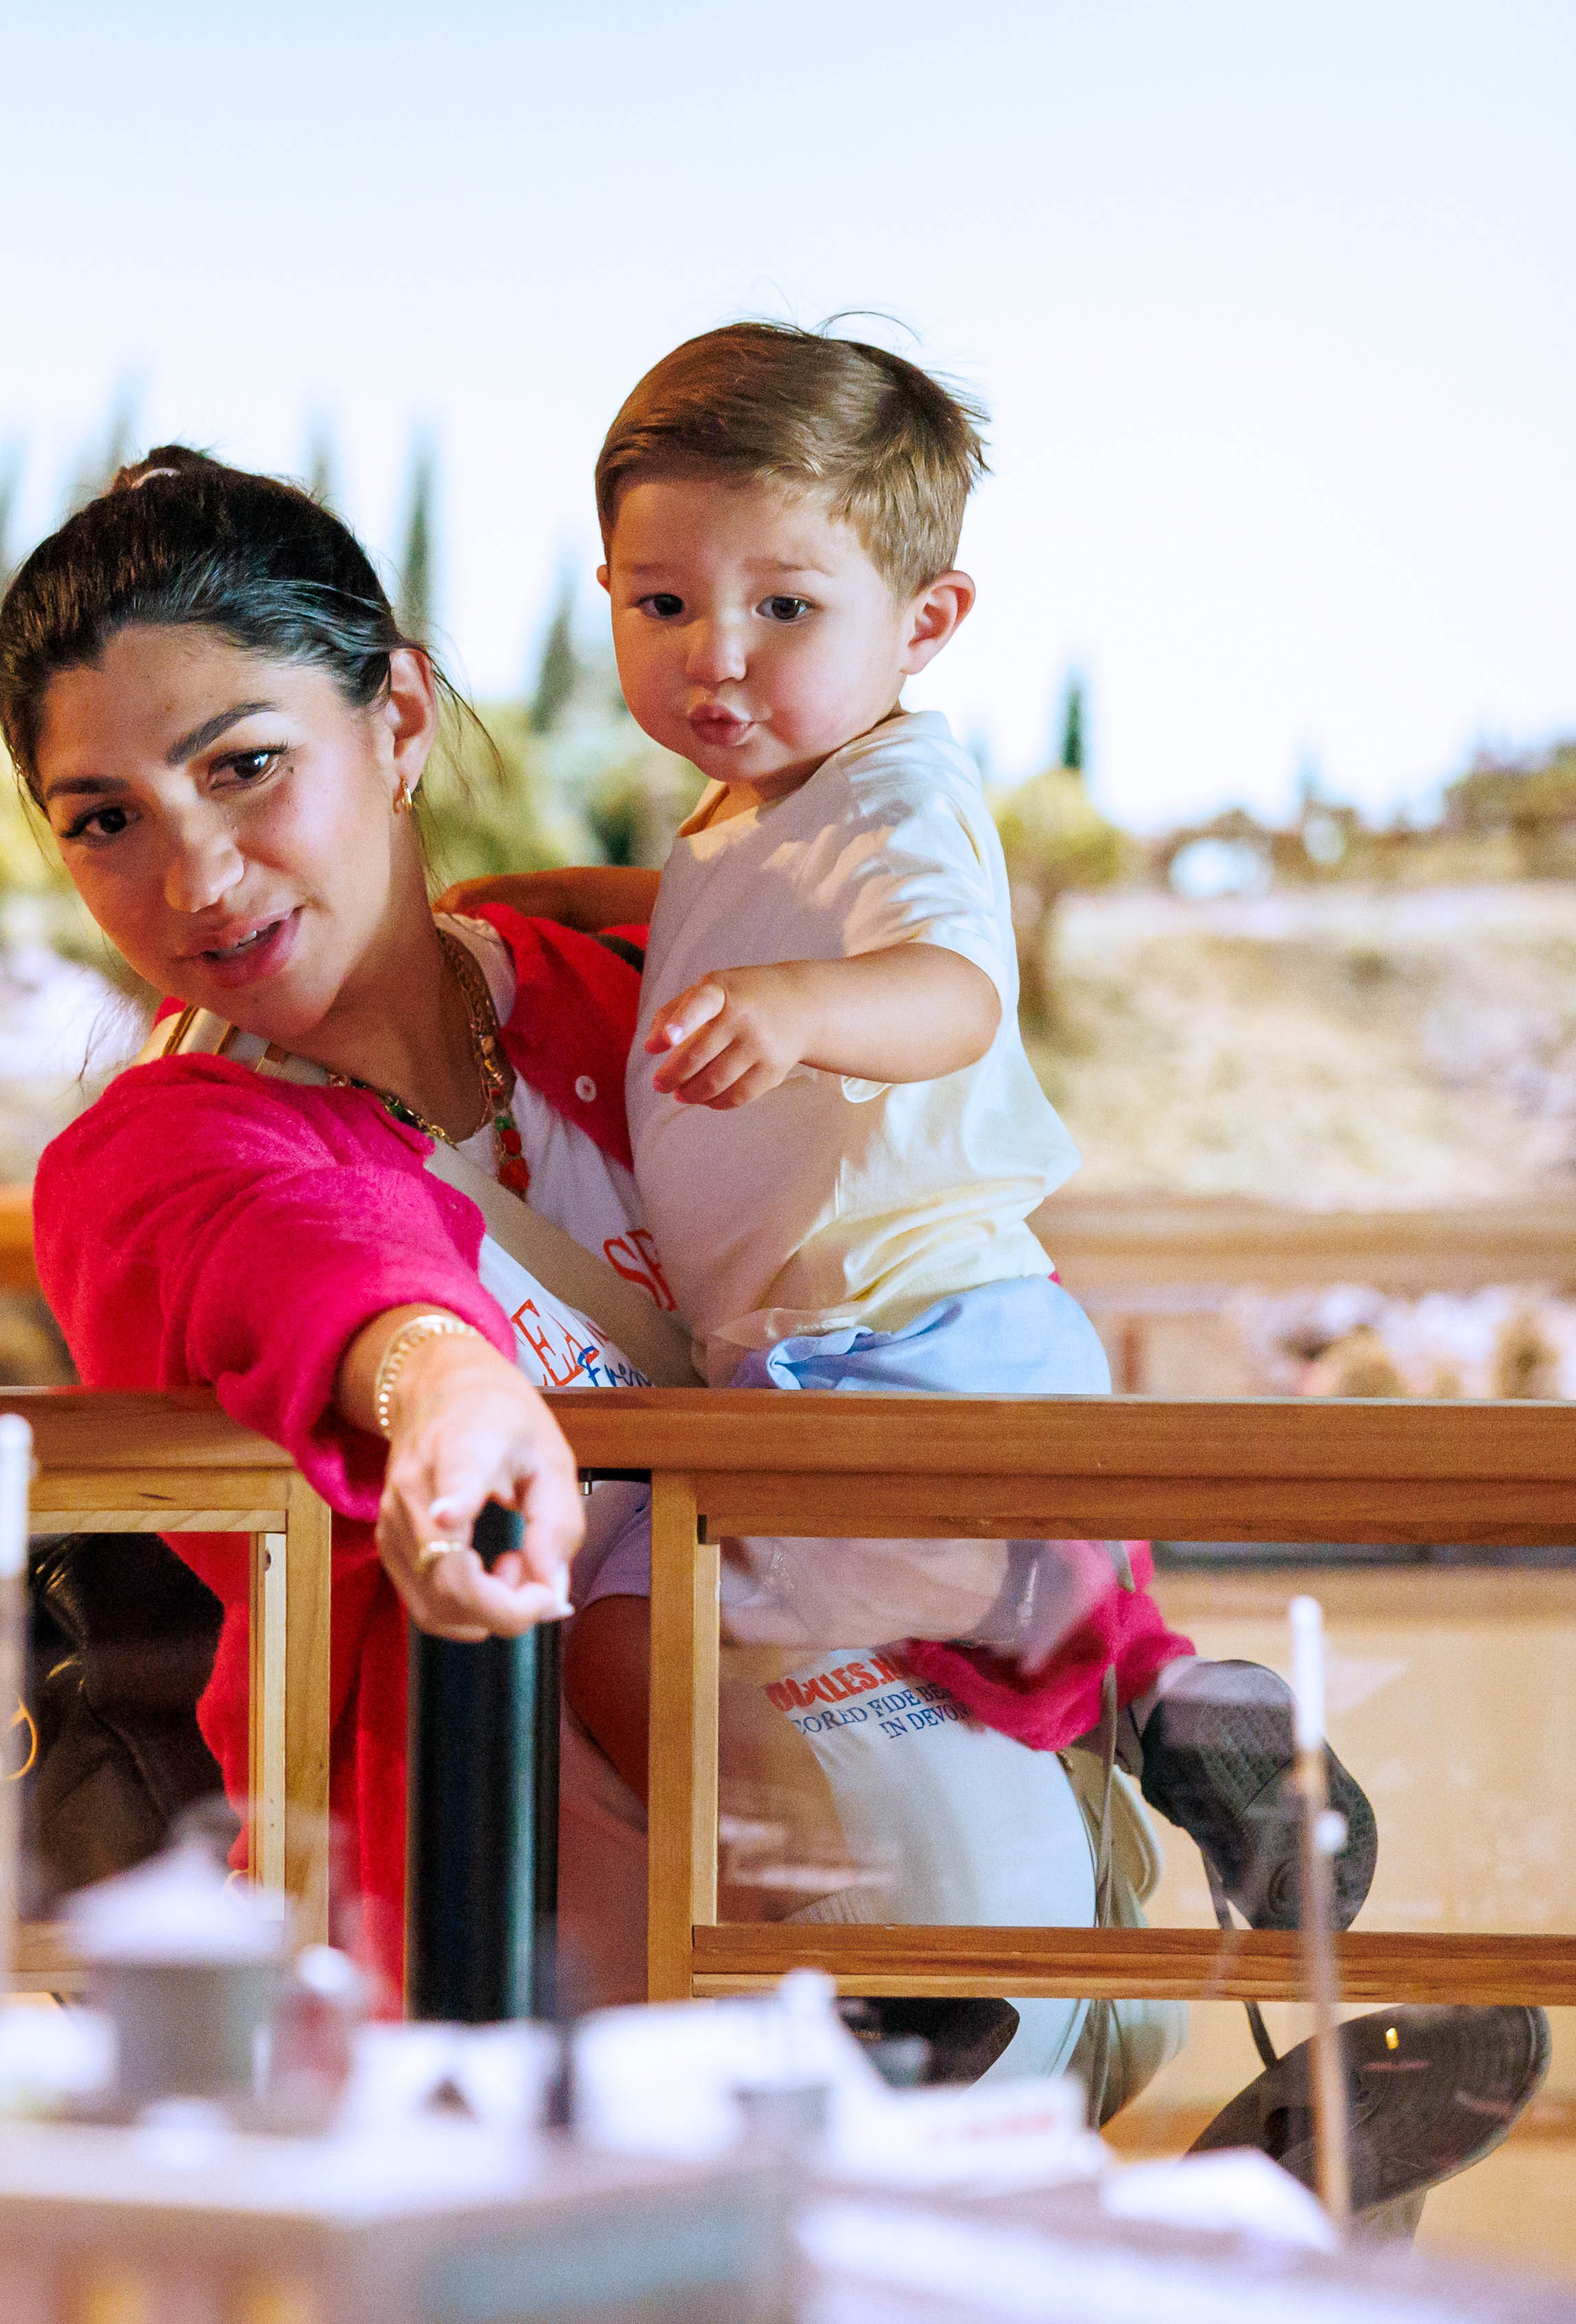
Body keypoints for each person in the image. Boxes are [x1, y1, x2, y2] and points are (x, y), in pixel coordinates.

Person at [10, 448, 1179, 2097]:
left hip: (992, 1956)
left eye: (249, 767)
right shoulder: (164, 1150)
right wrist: (452, 1391)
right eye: (106, 821)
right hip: (555, 2037)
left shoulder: (632, 993)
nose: (194, 878)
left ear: (399, 721)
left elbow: (914, 1206)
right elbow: (324, 1271)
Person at [595, 321, 1367, 1927]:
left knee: (636, 1615)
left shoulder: (889, 794)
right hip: (929, 1339)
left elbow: (951, 986)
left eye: (783, 606)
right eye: (661, 603)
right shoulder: (751, 818)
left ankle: (867, 1955)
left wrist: (807, 1009)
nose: (713, 652)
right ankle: (1172, 1709)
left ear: (926, 620)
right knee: (1003, 1636)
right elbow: (732, 923)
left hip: (897, 1346)